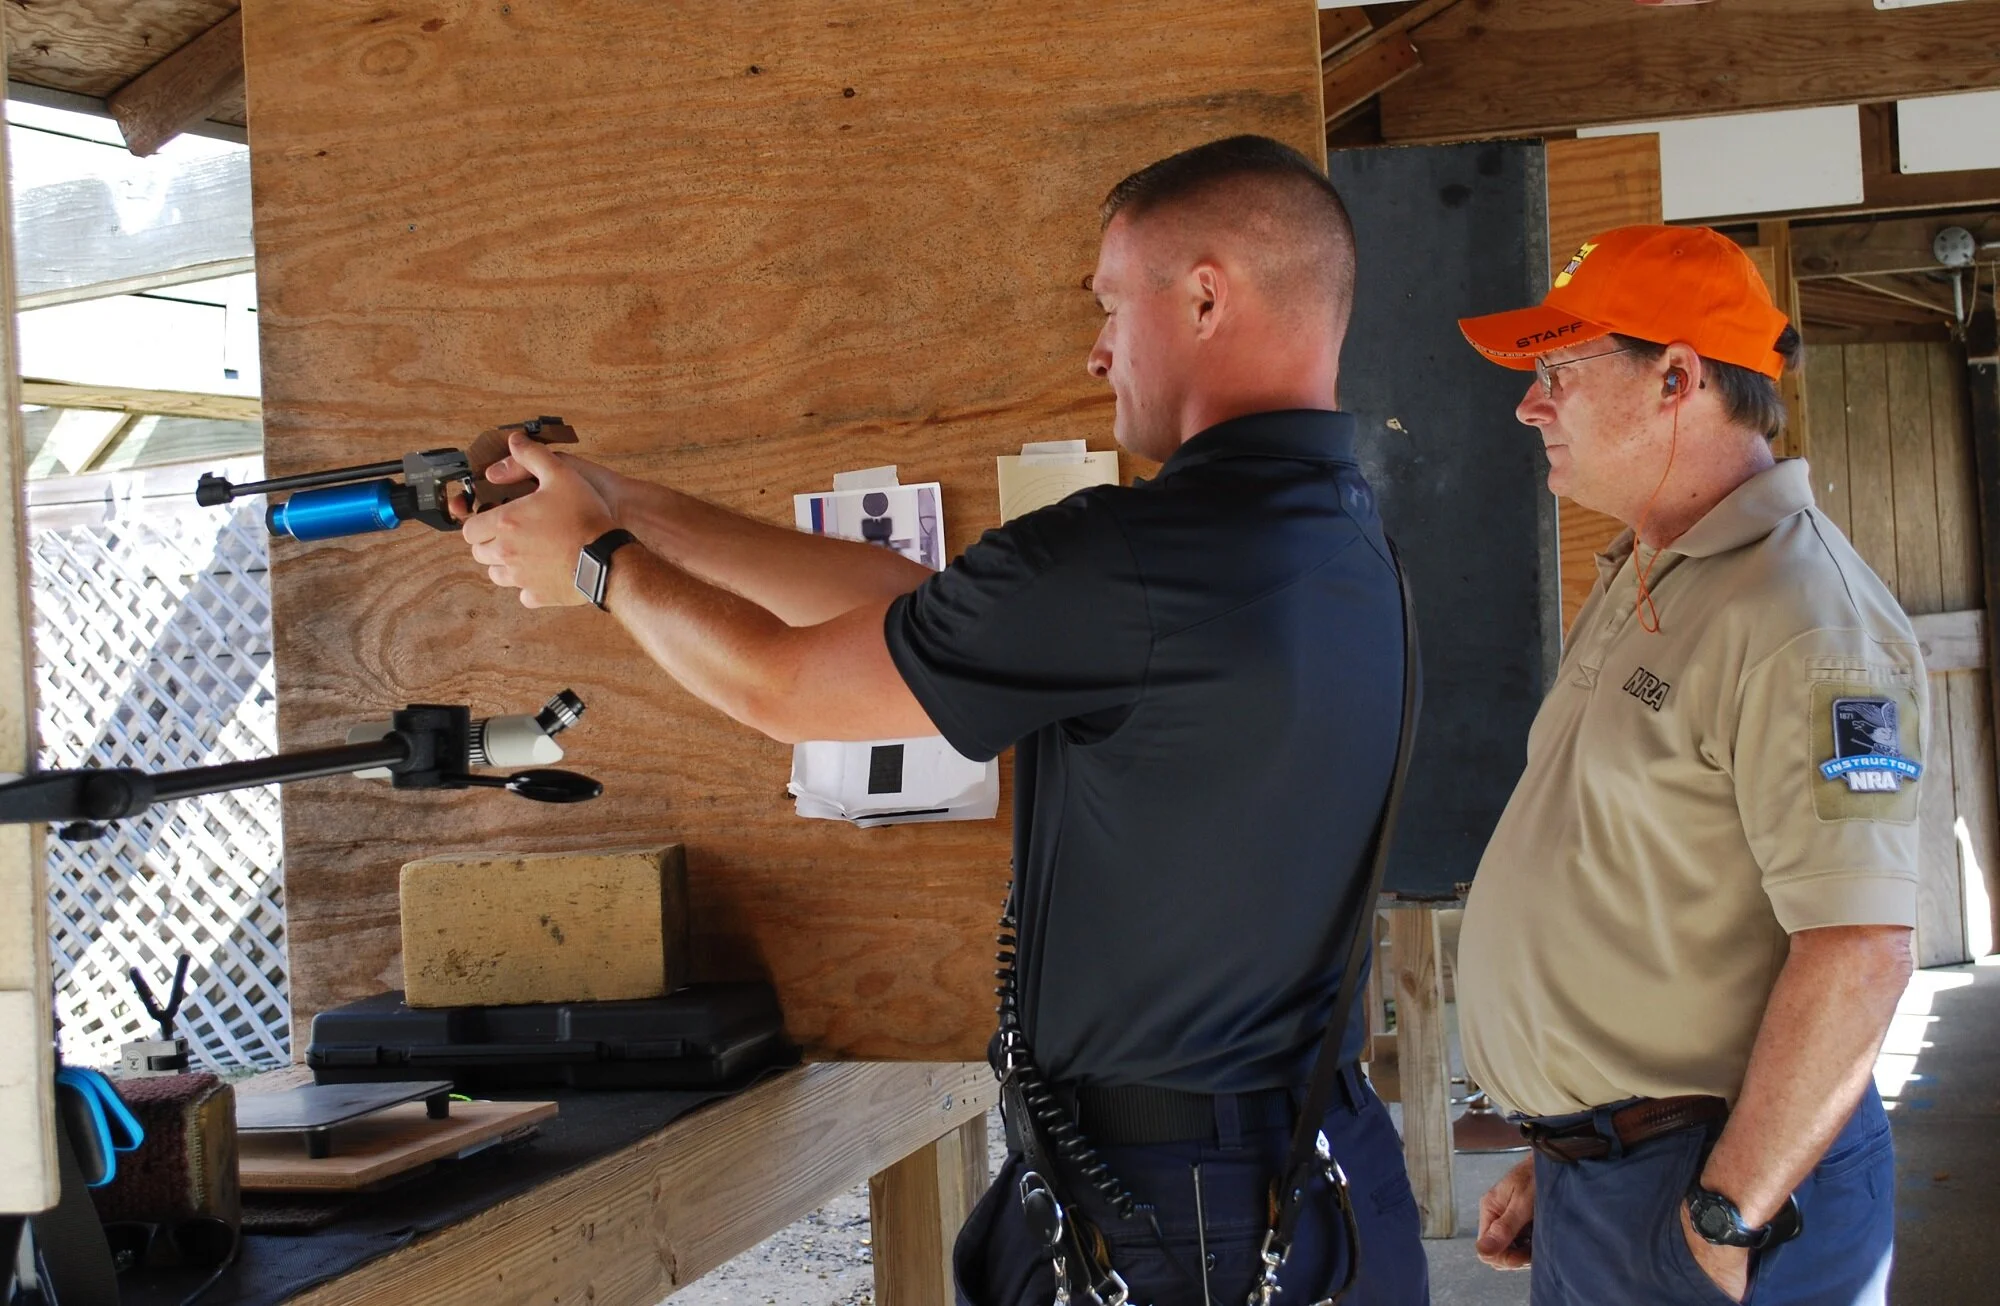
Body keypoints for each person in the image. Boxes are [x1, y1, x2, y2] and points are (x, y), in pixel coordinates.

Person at [456, 134, 1426, 1305]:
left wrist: (599, 567)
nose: (1095, 348)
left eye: (1113, 305)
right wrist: (622, 504)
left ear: (1207, 294)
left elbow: (784, 687)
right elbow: (907, 616)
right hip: (1295, 1167)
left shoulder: (1136, 558)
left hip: (1181, 1209)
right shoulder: (1327, 531)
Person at [1454, 224, 1919, 1306]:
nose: (1529, 404)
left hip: (1724, 1195)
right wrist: (1567, 1141)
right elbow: (1646, 890)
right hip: (1618, 1173)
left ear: (1677, 375)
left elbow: (1858, 950)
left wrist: (1723, 1212)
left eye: (1555, 371)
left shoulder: (1804, 619)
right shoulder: (1655, 573)